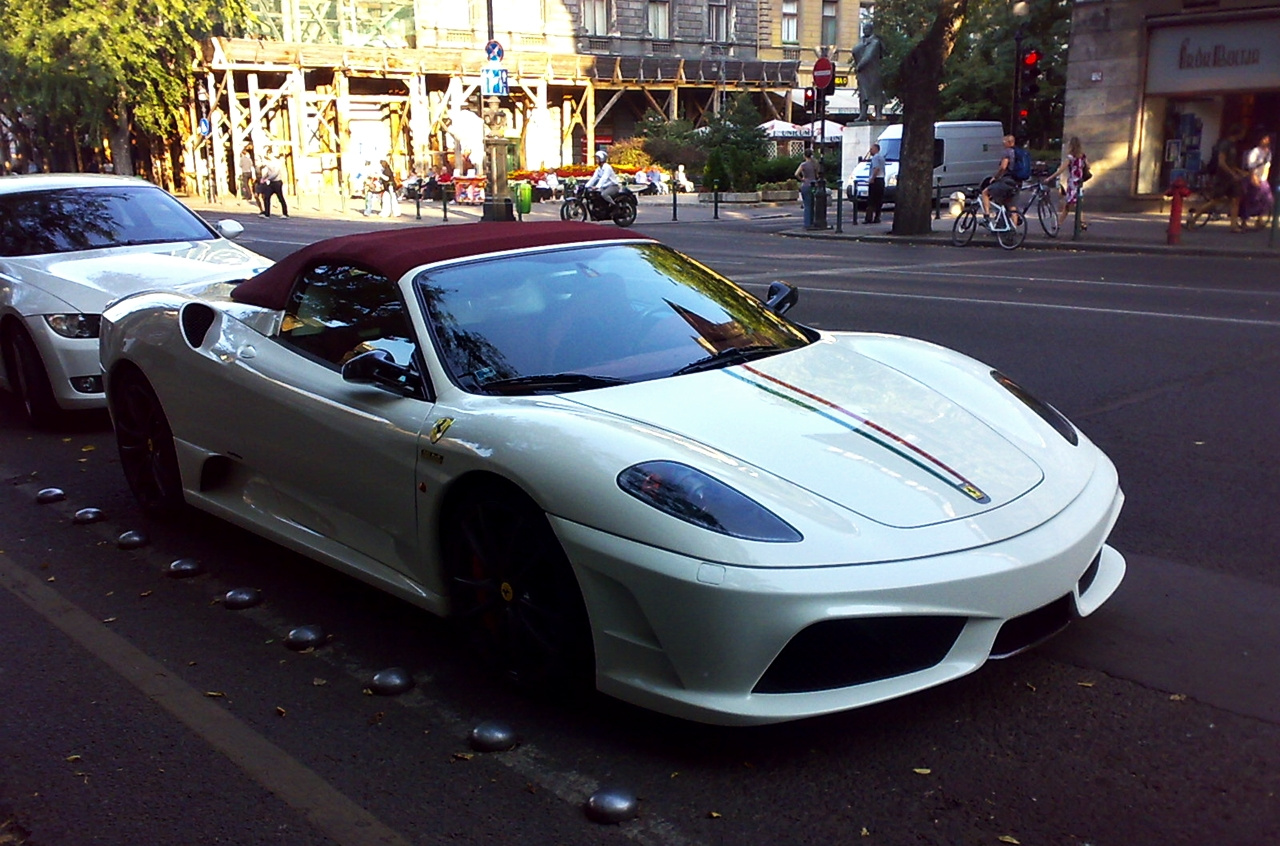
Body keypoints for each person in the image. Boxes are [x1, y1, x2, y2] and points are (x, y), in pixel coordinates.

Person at [1188, 124, 1248, 231]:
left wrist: (1240, 172)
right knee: (1215, 200)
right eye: (1242, 132)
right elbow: (1221, 162)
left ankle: (1233, 225)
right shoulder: (1225, 144)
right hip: (1223, 178)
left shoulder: (1233, 145)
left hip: (1232, 178)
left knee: (1235, 199)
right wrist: (1232, 173)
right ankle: (1194, 219)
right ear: (1237, 133)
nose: (1243, 135)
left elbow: (1231, 163)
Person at [1045, 135, 1089, 231]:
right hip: (1079, 182)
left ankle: (1082, 222)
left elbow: (1061, 169)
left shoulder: (1070, 157)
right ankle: (1060, 224)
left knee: (1074, 204)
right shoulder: (1082, 156)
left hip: (1073, 182)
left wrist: (1050, 178)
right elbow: (1088, 166)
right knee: (1070, 205)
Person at [980, 134, 1020, 221]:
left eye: (1004, 142)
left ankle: (986, 216)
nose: (1003, 144)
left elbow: (1003, 167)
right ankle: (1013, 229)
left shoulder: (1007, 152)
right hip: (1017, 181)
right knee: (1012, 207)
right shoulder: (1018, 152)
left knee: (985, 193)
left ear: (1009, 142)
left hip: (1007, 181)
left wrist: (996, 177)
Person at [851, 24, 885, 122]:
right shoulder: (862, 42)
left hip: (873, 71)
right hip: (863, 73)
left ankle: (878, 114)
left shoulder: (875, 42)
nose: (865, 31)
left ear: (871, 30)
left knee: (876, 92)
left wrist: (859, 66)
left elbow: (868, 55)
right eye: (864, 29)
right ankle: (863, 114)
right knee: (863, 94)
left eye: (867, 29)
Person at [1241, 132, 1273, 229]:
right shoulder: (1255, 151)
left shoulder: (1268, 152)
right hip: (1253, 177)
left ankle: (1259, 219)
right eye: (1264, 138)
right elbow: (1250, 165)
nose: (1266, 140)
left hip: (1263, 178)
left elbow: (1267, 166)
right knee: (1251, 199)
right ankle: (1244, 220)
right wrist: (1253, 177)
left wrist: (1265, 178)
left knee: (1267, 199)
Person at [257, 152, 288, 218]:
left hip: (277, 182)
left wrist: (267, 179)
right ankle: (267, 213)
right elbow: (268, 172)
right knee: (266, 197)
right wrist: (263, 178)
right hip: (271, 183)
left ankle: (285, 213)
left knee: (280, 198)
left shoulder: (277, 163)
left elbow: (275, 173)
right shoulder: (269, 163)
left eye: (269, 154)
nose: (268, 156)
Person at [795, 149, 818, 228]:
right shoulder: (814, 164)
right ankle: (812, 221)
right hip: (814, 184)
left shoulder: (803, 164)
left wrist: (802, 179)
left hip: (806, 185)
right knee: (812, 204)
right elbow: (817, 175)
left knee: (807, 205)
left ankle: (807, 223)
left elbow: (796, 174)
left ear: (804, 155)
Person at [864, 142, 886, 224]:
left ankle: (868, 218)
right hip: (881, 180)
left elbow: (876, 168)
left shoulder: (875, 158)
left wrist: (872, 178)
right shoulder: (882, 157)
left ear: (876, 149)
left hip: (876, 180)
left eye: (871, 149)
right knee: (879, 200)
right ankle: (877, 217)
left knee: (871, 200)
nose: (870, 151)